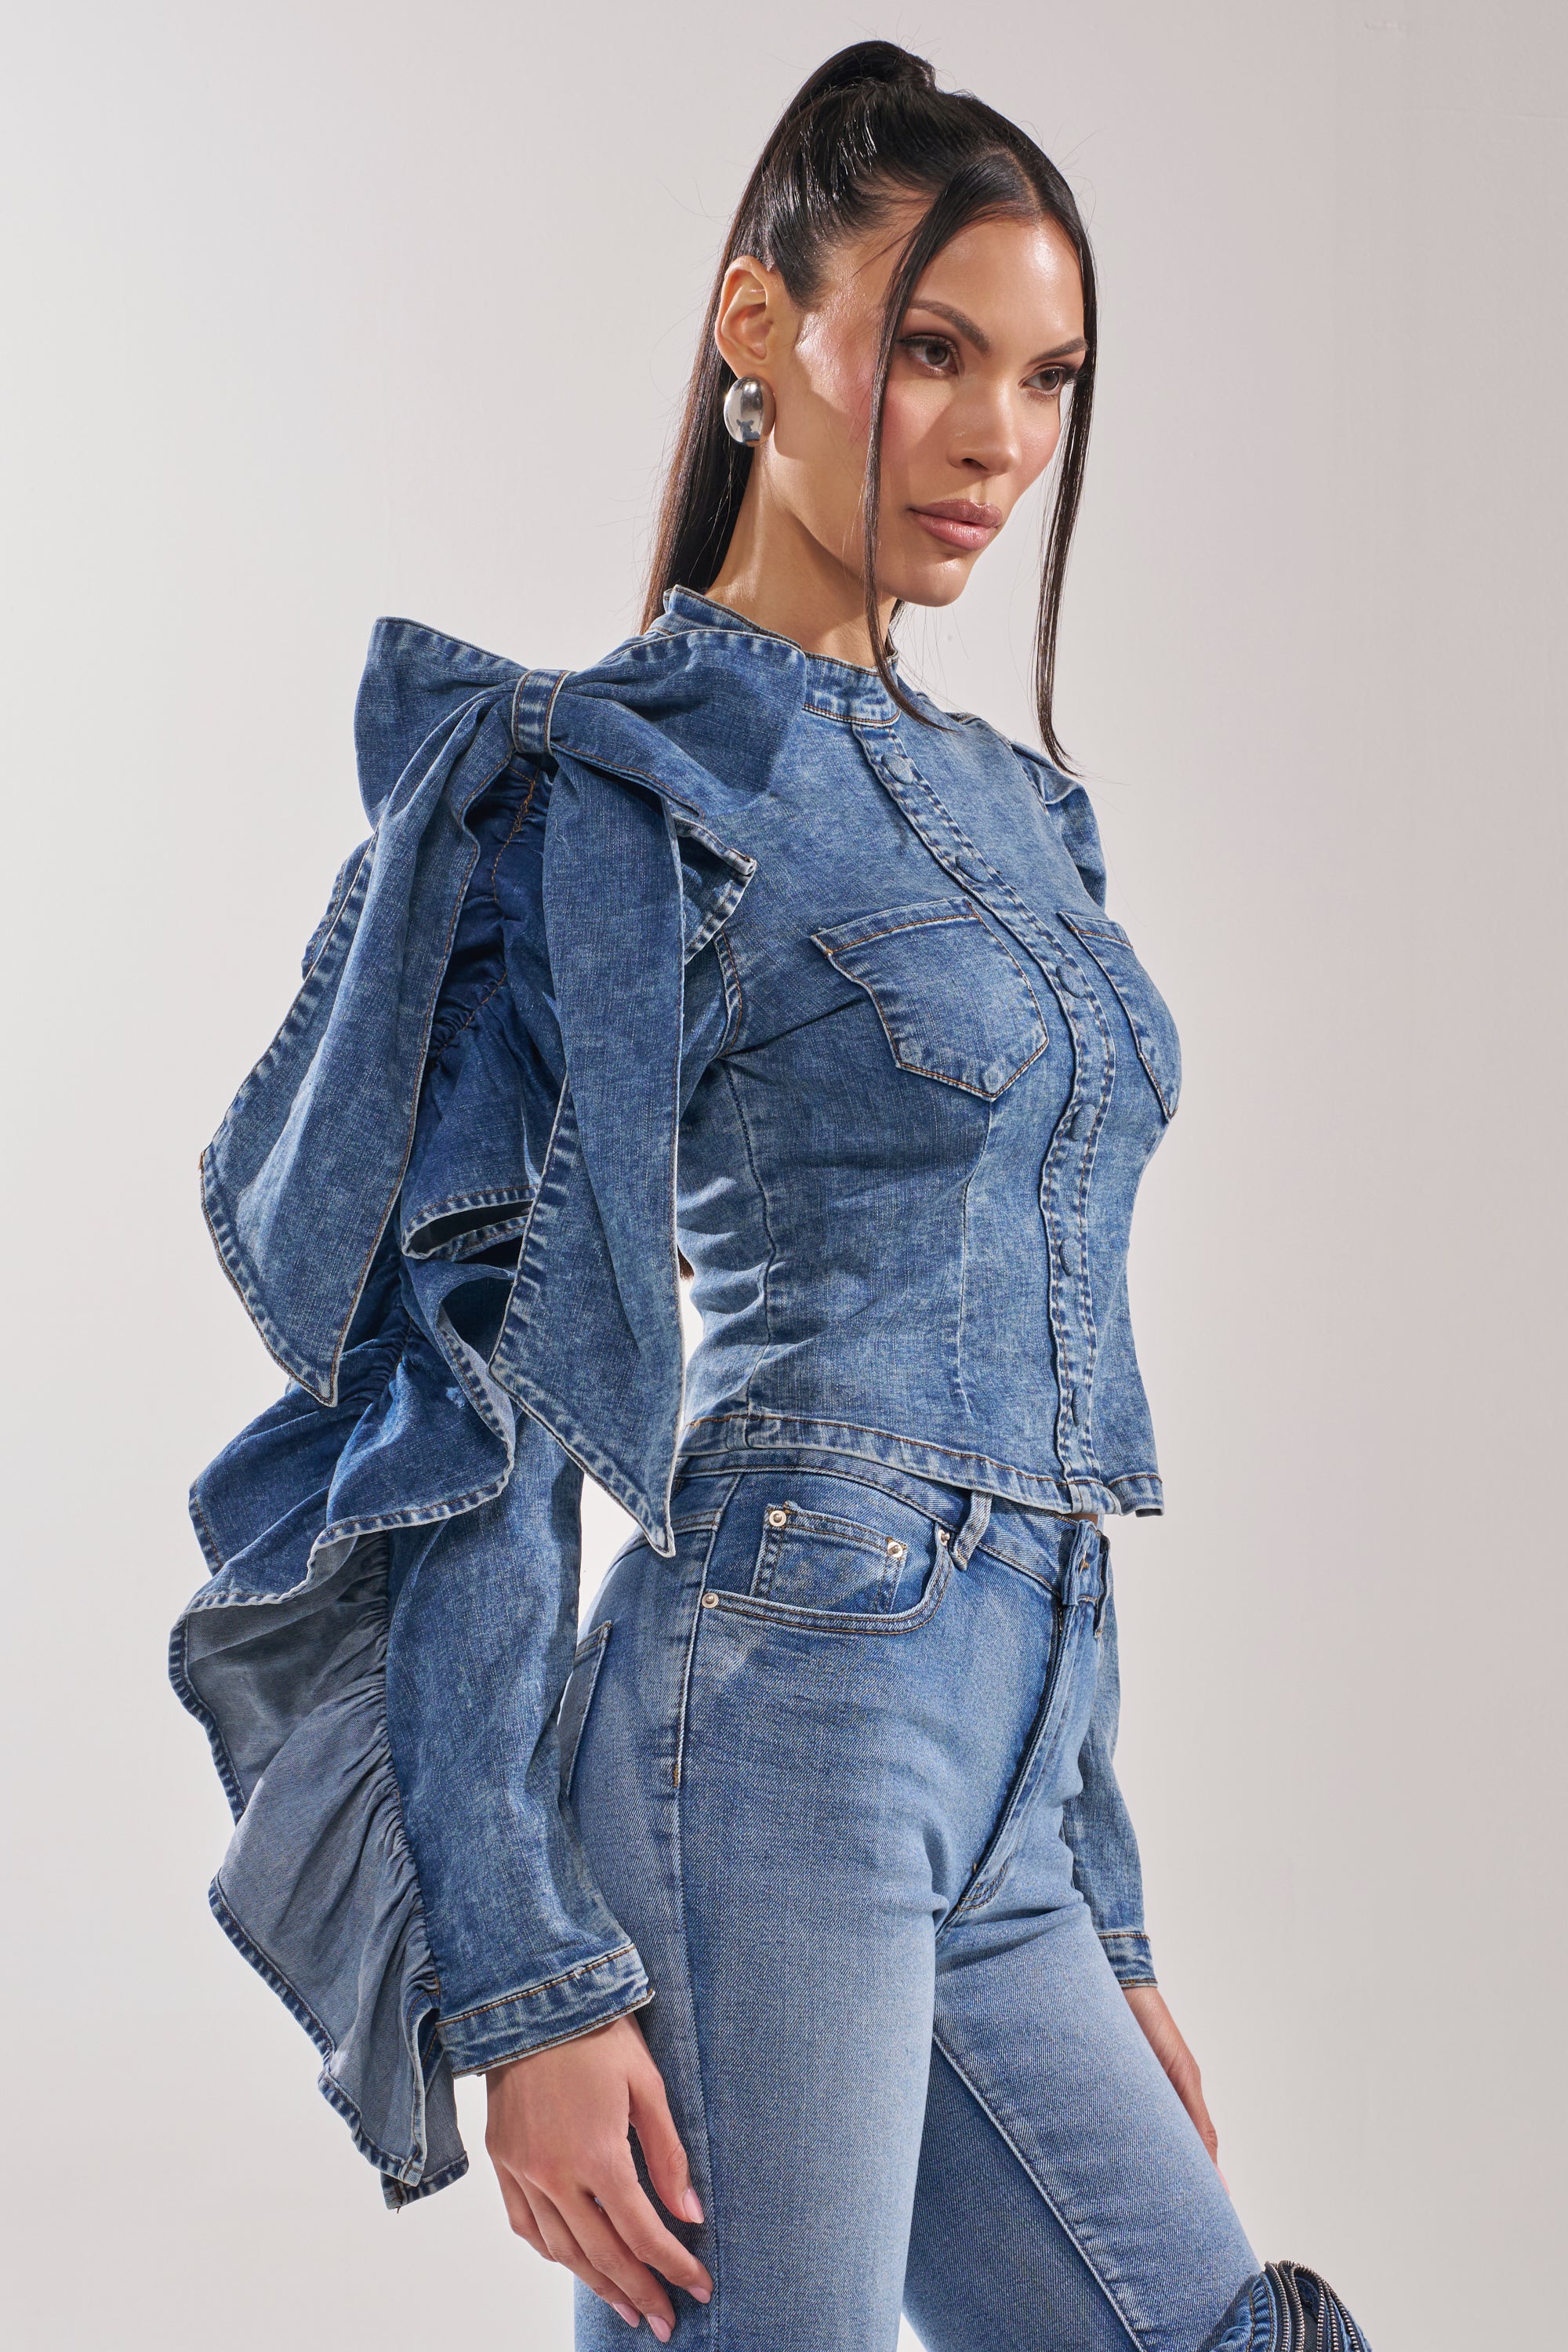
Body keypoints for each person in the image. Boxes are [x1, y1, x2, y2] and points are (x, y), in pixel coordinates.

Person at [172, 41, 1372, 2352]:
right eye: (932, 350)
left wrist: (1106, 1915)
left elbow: (1051, 1400)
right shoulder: (607, 782)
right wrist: (523, 1982)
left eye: (1045, 378)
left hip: (1014, 1786)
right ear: (758, 331)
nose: (998, 439)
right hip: (772, 1737)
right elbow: (479, 1412)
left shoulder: (1029, 820)